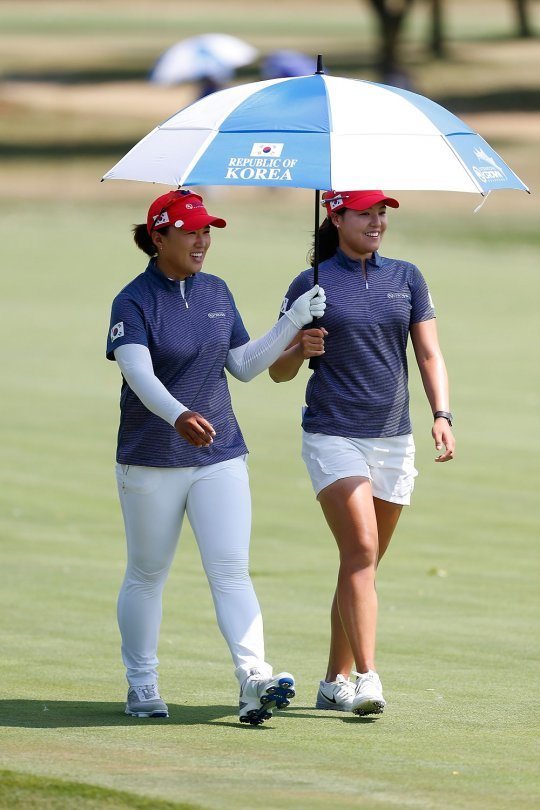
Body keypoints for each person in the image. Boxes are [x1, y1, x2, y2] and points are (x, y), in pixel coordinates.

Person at [106, 188, 325, 725]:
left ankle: (254, 678)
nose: (202, 240)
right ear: (159, 237)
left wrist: (293, 321)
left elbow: (244, 365)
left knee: (231, 570)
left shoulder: (217, 291)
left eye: (207, 231)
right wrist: (178, 414)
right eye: (191, 231)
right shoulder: (133, 300)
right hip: (152, 458)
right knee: (147, 573)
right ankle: (142, 683)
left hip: (220, 453)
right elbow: (137, 372)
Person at [269, 190, 455, 716]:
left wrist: (442, 414)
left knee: (363, 565)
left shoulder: (407, 277)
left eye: (381, 214)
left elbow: (428, 353)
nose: (376, 223)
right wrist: (299, 348)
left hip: (393, 437)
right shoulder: (309, 284)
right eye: (365, 214)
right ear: (336, 216)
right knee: (362, 551)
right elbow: (278, 371)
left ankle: (334, 682)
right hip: (333, 433)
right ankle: (368, 677)